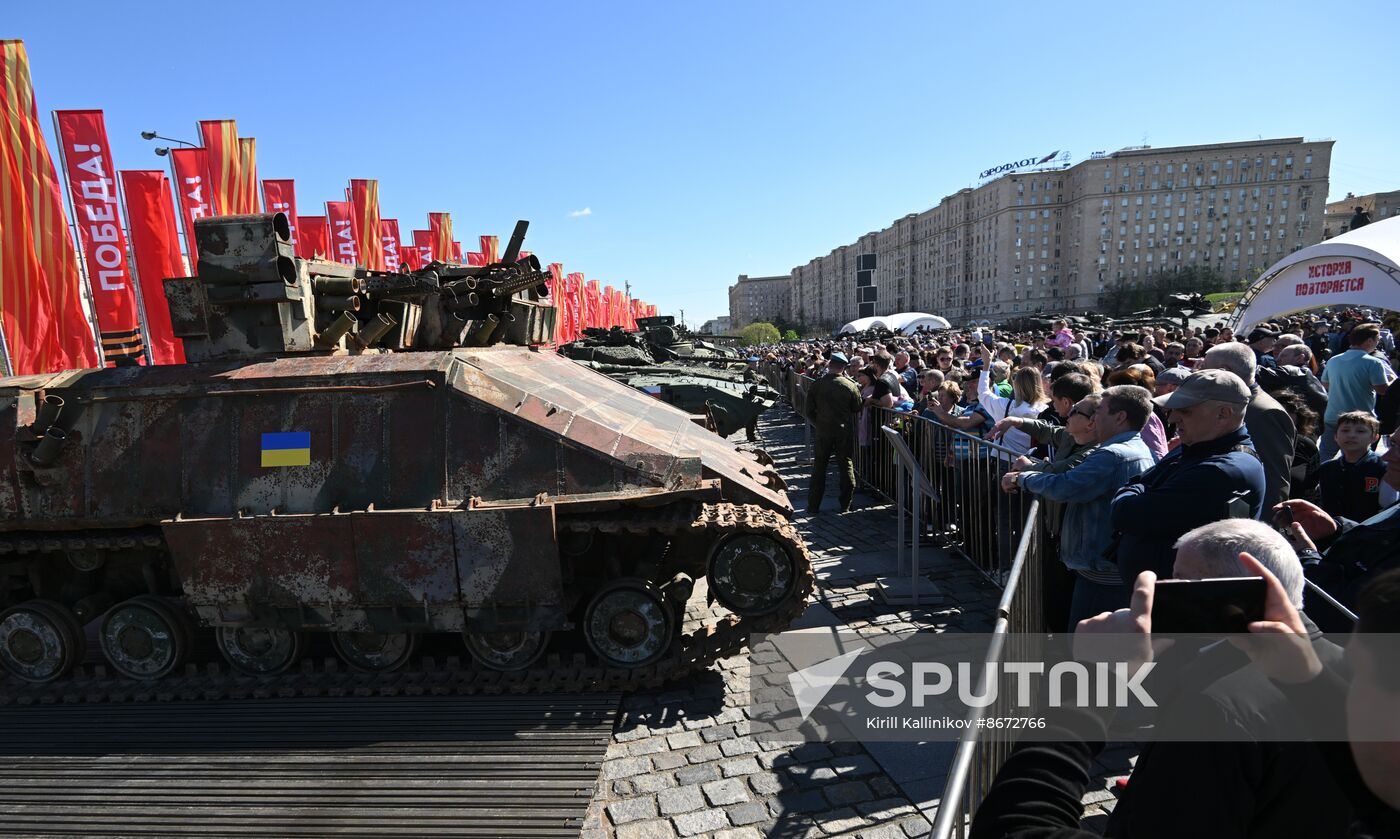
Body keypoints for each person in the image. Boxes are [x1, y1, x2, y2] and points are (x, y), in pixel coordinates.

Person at [970, 561, 1400, 839]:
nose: (1341, 676)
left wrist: (1093, 681)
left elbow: (1012, 828)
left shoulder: (1219, 712)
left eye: (1355, 673)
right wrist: (1307, 681)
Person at [1104, 518, 1353, 839]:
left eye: (1181, 580)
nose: (1166, 588)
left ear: (1231, 592)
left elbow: (1167, 821)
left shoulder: (1211, 702)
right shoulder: (1352, 669)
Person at [1003, 386, 1157, 627]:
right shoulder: (1133, 449)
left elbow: (1066, 486)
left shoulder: (1113, 455)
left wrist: (1022, 478)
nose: (1094, 418)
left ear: (1120, 417)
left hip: (1101, 571)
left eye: (1100, 412)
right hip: (1106, 564)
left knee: (1090, 648)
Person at [1110, 370, 1266, 583]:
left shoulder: (1221, 470)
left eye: (1186, 411)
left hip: (1180, 603)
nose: (1173, 417)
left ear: (1224, 413)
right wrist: (1136, 490)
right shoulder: (1194, 447)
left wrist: (1134, 492)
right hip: (1159, 593)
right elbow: (1137, 485)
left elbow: (1126, 513)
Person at [1199, 342, 1296, 513]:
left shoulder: (1263, 412)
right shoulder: (1238, 404)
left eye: (1205, 368)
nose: (1200, 373)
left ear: (1224, 371)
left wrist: (1263, 530)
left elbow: (1273, 480)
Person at [1321, 323, 1392, 461]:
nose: (1377, 345)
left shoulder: (1334, 360)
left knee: (1325, 455)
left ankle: (1323, 481)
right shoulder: (1373, 363)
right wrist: (1391, 381)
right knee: (1359, 459)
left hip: (1332, 416)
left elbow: (1325, 383)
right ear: (1370, 341)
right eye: (1377, 341)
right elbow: (1382, 390)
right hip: (1360, 420)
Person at [804, 353, 862, 514]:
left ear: (830, 365)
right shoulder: (850, 385)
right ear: (844, 367)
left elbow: (809, 410)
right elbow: (857, 407)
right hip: (843, 431)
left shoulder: (817, 385)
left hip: (823, 431)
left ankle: (813, 505)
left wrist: (820, 423)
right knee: (846, 465)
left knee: (819, 467)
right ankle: (846, 504)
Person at [977, 344, 1049, 457]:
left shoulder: (1008, 406)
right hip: (1030, 463)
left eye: (1024, 364)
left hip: (1005, 460)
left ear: (1016, 384)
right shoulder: (1045, 409)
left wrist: (986, 364)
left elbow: (983, 393)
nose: (1020, 366)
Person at [1316, 411, 1388, 523]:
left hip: (1369, 531)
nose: (1351, 435)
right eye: (1345, 430)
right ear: (1335, 436)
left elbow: (1388, 505)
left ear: (1374, 437)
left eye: (1360, 431)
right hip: (1332, 529)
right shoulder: (1327, 468)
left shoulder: (1383, 467)